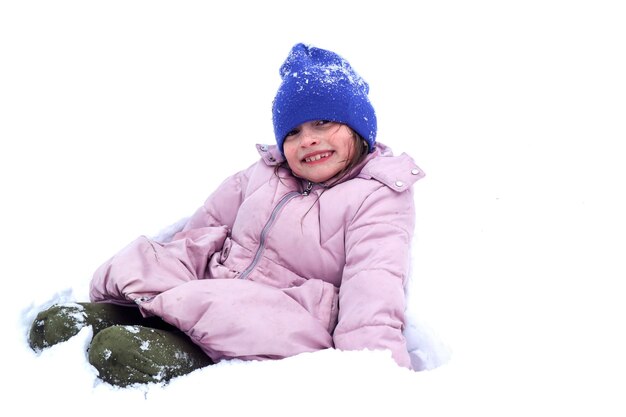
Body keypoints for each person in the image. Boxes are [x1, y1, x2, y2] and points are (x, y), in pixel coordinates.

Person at [28, 42, 425, 386]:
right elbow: (203, 227)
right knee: (158, 260)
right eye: (293, 132)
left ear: (358, 127)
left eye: (323, 122)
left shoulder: (379, 196)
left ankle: (184, 352)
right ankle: (134, 313)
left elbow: (373, 289)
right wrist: (165, 271)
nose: (309, 140)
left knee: (223, 311)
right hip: (217, 290)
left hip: (283, 318)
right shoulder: (263, 173)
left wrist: (376, 379)